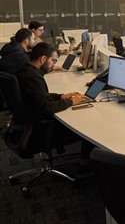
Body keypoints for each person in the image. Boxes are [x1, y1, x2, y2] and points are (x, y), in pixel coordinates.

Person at [14, 42, 94, 176]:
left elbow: (39, 96)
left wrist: (61, 96)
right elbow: (48, 107)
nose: (53, 65)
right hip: (40, 129)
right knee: (87, 125)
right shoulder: (32, 77)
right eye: (53, 60)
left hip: (30, 122)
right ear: (43, 59)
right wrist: (71, 101)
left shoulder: (27, 71)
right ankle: (84, 167)